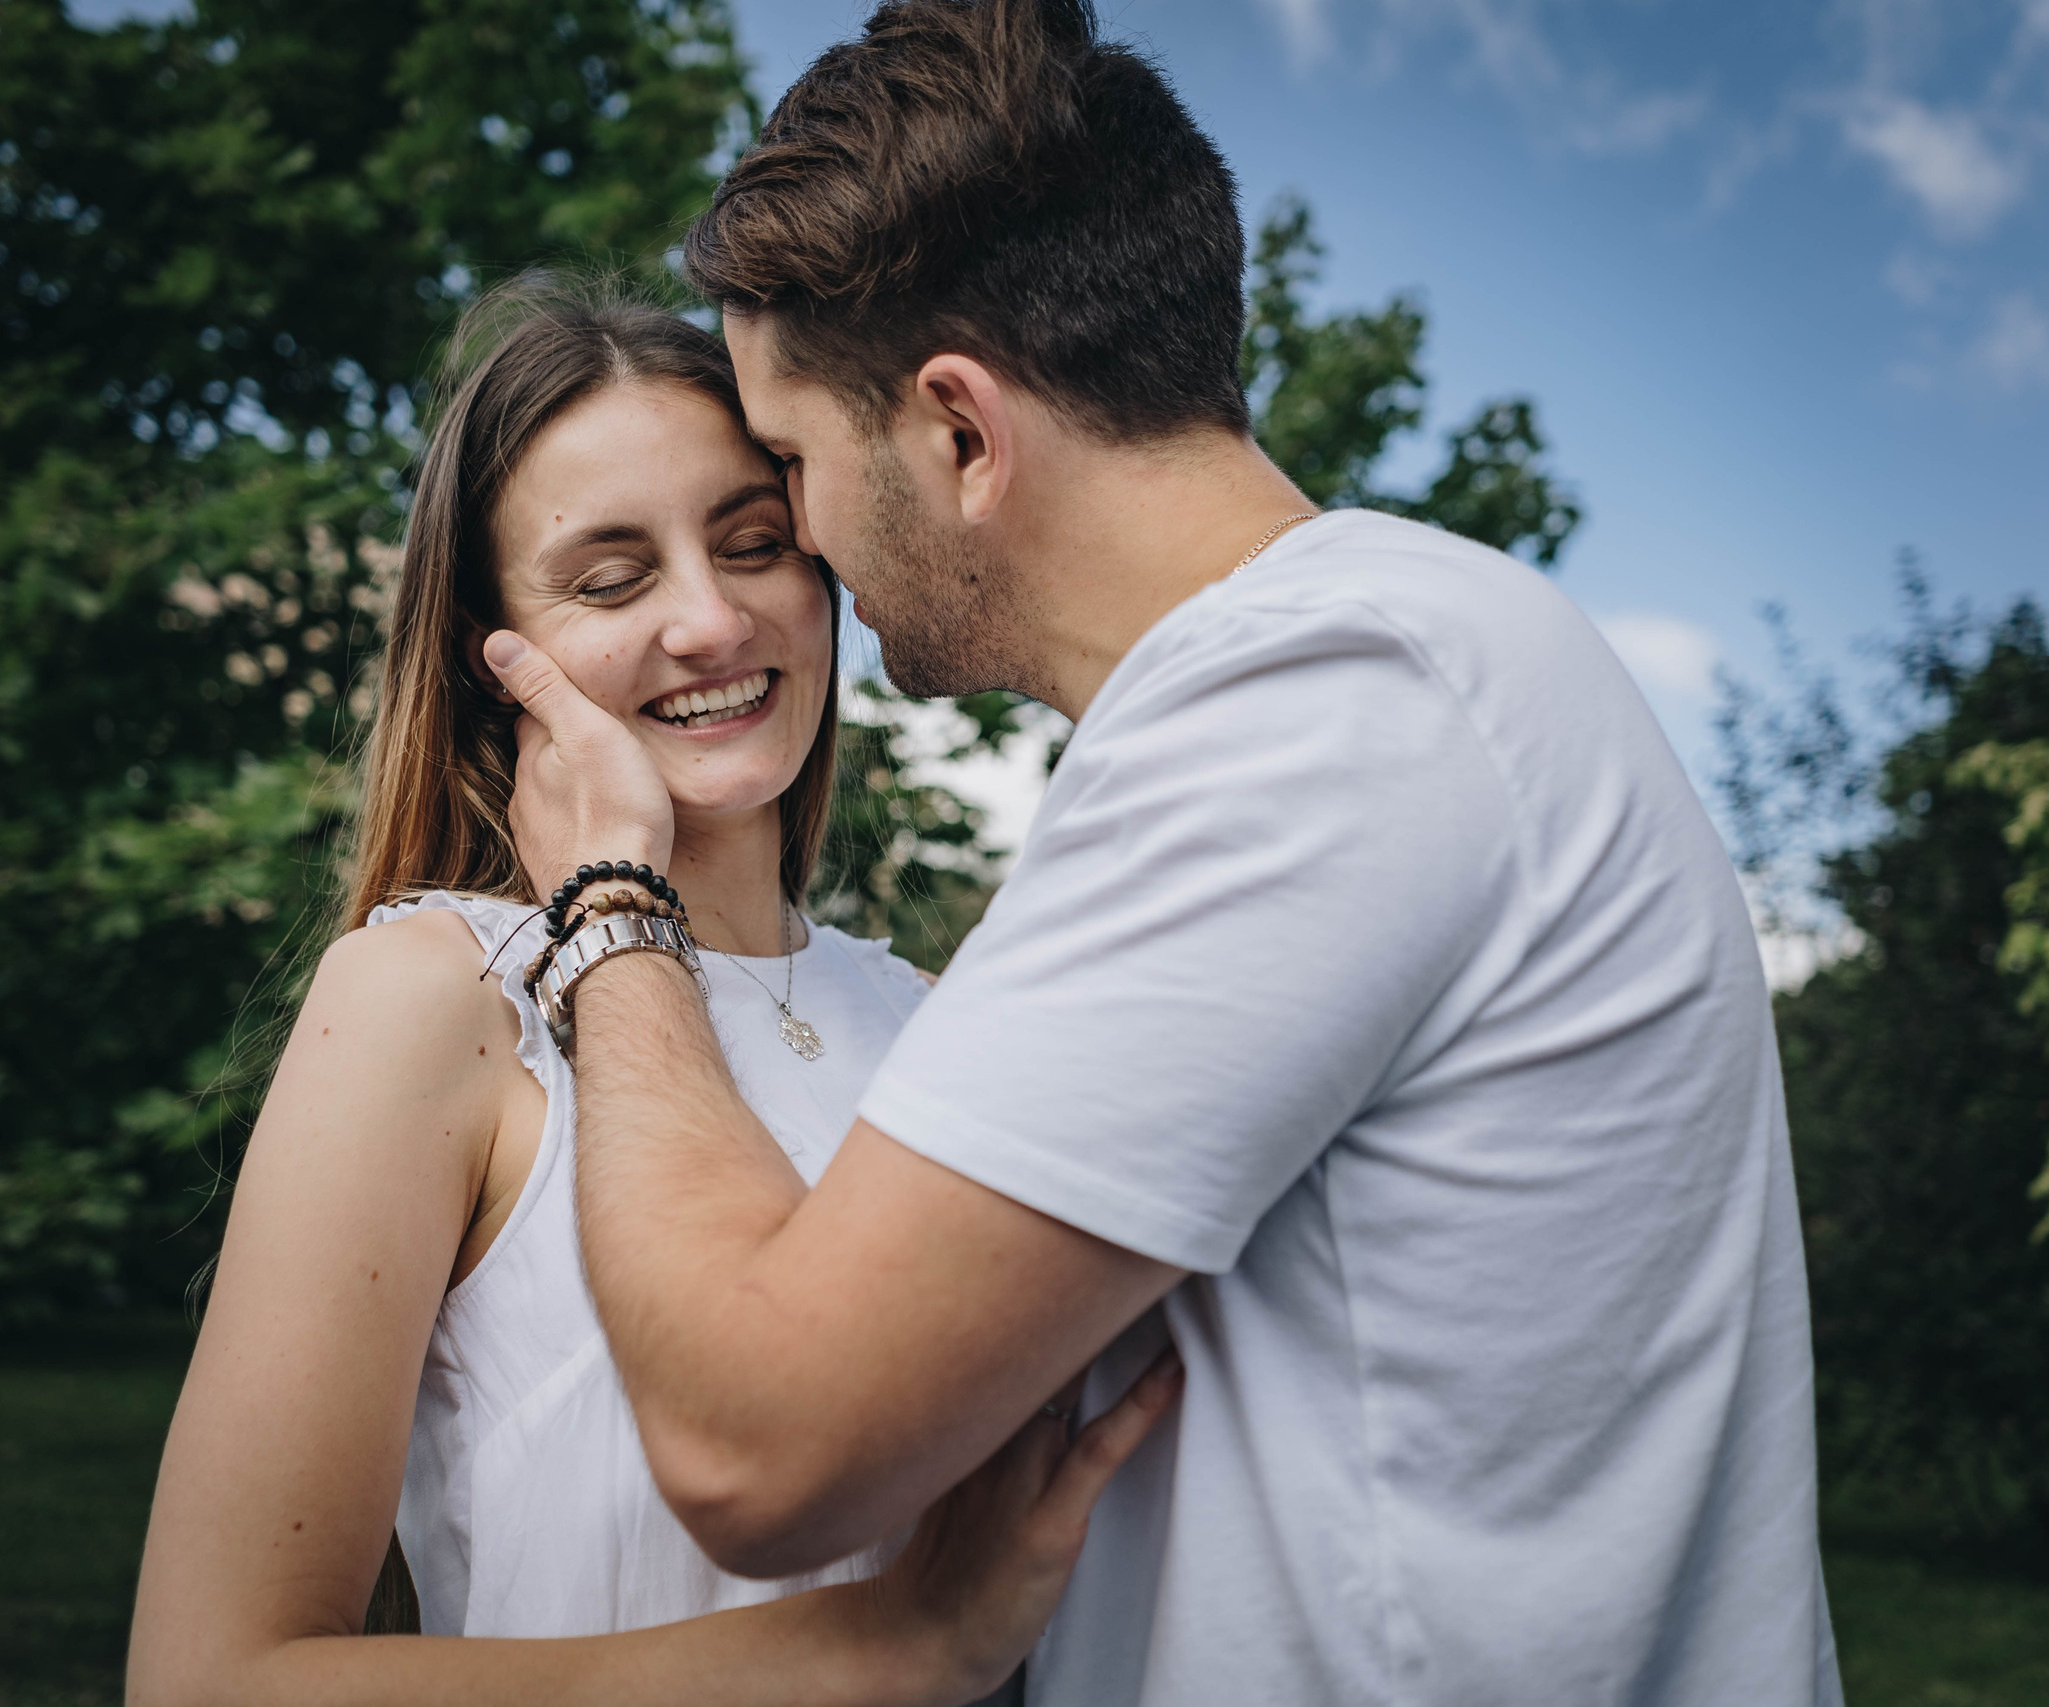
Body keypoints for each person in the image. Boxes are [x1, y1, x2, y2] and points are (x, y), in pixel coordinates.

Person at [475, 1, 1847, 1703]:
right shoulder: (1357, 683)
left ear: (960, 434)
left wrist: (613, 917)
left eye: (798, 466)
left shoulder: (1317, 709)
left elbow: (764, 1442)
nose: (804, 539)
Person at [123, 280, 1178, 1707]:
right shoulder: (435, 996)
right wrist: (888, 1646)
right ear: (497, 659)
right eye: (612, 581)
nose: (709, 621)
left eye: (756, 544)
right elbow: (210, 1680)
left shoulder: (943, 1008)